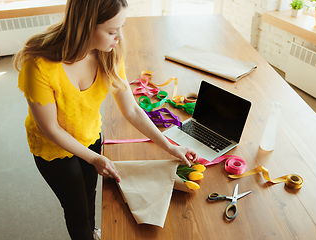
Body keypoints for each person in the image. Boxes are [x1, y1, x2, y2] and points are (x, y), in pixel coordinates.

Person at [13, 0, 198, 239]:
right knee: (76, 209)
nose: (119, 37)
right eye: (112, 31)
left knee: (90, 193)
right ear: (85, 26)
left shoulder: (109, 53)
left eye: (121, 27)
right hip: (53, 149)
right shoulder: (38, 65)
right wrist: (94, 158)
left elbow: (131, 110)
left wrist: (170, 146)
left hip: (89, 135)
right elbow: (51, 129)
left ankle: (91, 232)